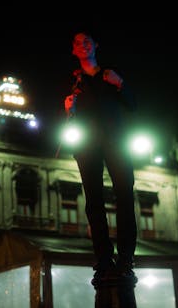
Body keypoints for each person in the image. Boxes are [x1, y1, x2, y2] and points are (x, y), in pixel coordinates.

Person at [64, 32, 137, 287]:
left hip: (117, 142)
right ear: (73, 50)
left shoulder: (110, 75)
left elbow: (133, 104)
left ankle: (126, 259)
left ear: (96, 45)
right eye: (77, 43)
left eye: (87, 41)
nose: (82, 45)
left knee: (125, 196)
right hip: (87, 146)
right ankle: (103, 261)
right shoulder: (74, 81)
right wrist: (69, 111)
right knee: (94, 202)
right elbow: (70, 119)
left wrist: (121, 85)